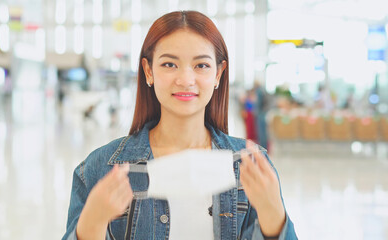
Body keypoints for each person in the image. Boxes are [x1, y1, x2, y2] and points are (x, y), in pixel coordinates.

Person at [62, 11, 297, 240]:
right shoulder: (99, 170)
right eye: (169, 65)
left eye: (201, 65)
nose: (185, 80)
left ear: (218, 74)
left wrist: (273, 219)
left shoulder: (250, 168)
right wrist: (91, 224)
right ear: (148, 70)